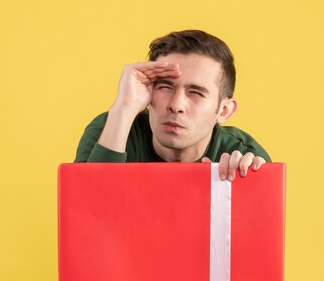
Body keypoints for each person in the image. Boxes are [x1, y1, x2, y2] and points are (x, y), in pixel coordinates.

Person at [75, 30, 270, 181]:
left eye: (196, 93)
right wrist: (124, 107)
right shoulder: (110, 130)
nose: (176, 105)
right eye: (165, 87)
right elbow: (84, 217)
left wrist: (244, 186)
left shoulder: (244, 156)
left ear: (224, 110)